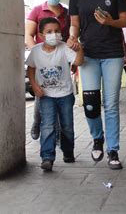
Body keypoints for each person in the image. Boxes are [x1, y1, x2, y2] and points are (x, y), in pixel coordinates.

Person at [67, 0, 126, 170]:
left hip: (112, 54)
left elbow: (125, 22)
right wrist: (73, 37)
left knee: (110, 104)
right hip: (88, 54)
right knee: (91, 105)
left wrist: (109, 22)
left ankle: (113, 150)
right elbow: (74, 23)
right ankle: (97, 138)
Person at [26, 17, 84, 171]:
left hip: (65, 95)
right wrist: (34, 85)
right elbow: (30, 68)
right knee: (48, 125)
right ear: (41, 34)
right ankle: (47, 157)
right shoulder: (36, 51)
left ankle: (68, 151)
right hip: (46, 96)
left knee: (67, 126)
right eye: (49, 32)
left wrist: (79, 49)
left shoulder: (64, 48)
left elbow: (78, 62)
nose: (54, 34)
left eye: (57, 31)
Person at [25, 0, 70, 140]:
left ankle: (56, 132)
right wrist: (36, 54)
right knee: (41, 93)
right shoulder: (37, 11)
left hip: (60, 60)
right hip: (41, 59)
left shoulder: (67, 14)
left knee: (59, 93)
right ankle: (37, 122)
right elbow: (29, 35)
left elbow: (70, 37)